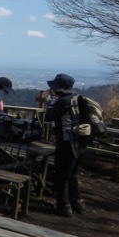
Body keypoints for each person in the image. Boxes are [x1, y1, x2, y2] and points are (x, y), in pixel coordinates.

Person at [44, 73, 86, 217]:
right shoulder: (77, 99)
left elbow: (48, 117)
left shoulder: (62, 102)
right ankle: (78, 203)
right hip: (80, 143)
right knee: (72, 174)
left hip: (67, 143)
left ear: (57, 88)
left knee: (61, 176)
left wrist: (50, 102)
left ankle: (64, 206)